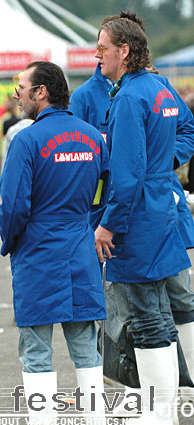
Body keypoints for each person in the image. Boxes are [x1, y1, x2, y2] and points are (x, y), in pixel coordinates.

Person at [69, 11, 194, 413]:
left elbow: (125, 175)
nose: (97, 56)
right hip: (162, 209)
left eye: (102, 48)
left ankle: (159, 413)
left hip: (139, 216)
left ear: (124, 50)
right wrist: (164, 164)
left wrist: (107, 226)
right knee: (164, 309)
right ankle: (167, 408)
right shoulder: (158, 85)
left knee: (148, 316)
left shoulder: (127, 97)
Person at [0, 61, 110, 425]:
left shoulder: (26, 140)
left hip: (38, 251)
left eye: (21, 86)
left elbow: (14, 206)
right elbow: (106, 193)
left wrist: (10, 242)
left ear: (40, 91)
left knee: (36, 350)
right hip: (80, 247)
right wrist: (91, 226)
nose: (17, 93)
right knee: (85, 346)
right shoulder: (93, 136)